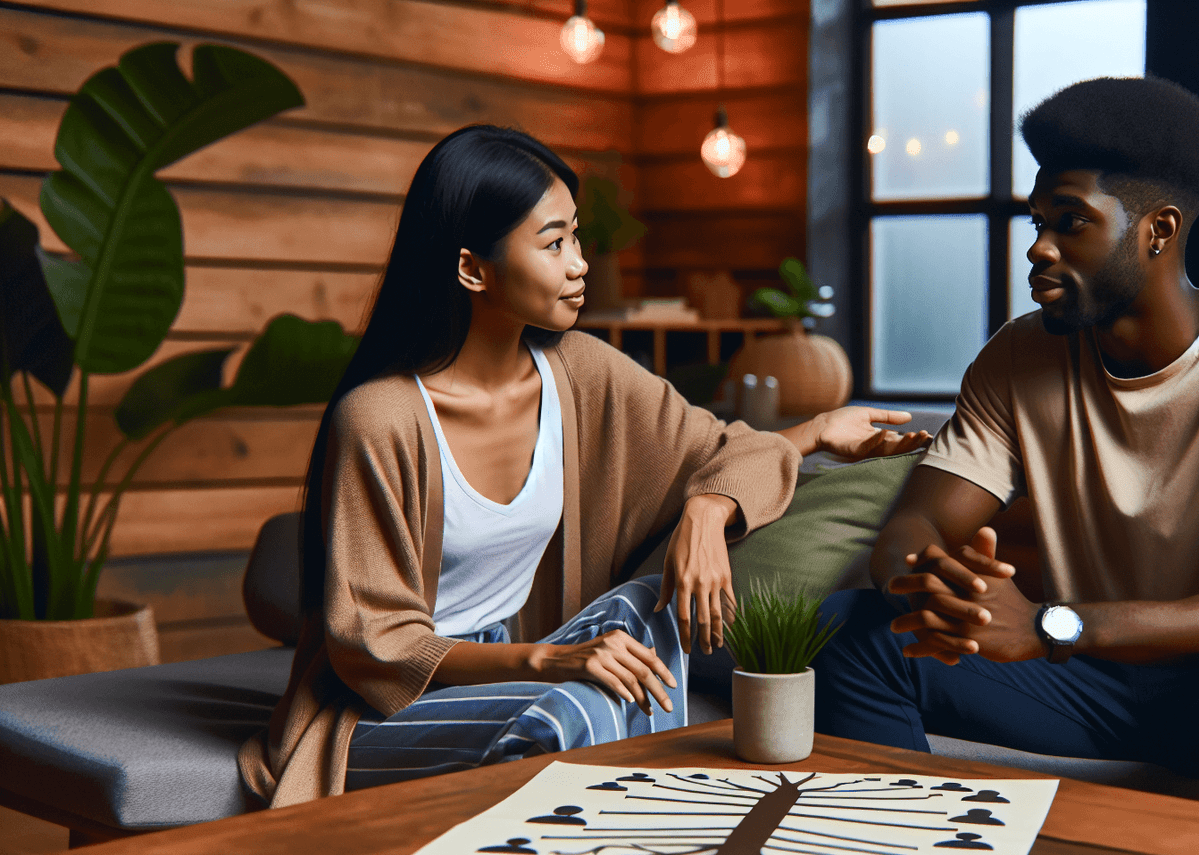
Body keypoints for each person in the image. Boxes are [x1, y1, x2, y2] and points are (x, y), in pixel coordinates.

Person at [239, 124, 928, 807]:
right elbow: (372, 646)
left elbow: (723, 446)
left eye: (576, 237)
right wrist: (546, 659)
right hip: (394, 702)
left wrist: (717, 504)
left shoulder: (580, 371)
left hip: (534, 661)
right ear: (472, 268)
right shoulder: (380, 418)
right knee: (579, 712)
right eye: (554, 243)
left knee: (646, 605)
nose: (580, 265)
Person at [811, 77, 1199, 822]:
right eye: (1036, 221)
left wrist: (1058, 625)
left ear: (1158, 230)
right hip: (1097, 682)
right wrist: (938, 590)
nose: (1038, 248)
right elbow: (911, 530)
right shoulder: (1017, 359)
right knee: (853, 629)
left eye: (1070, 222)